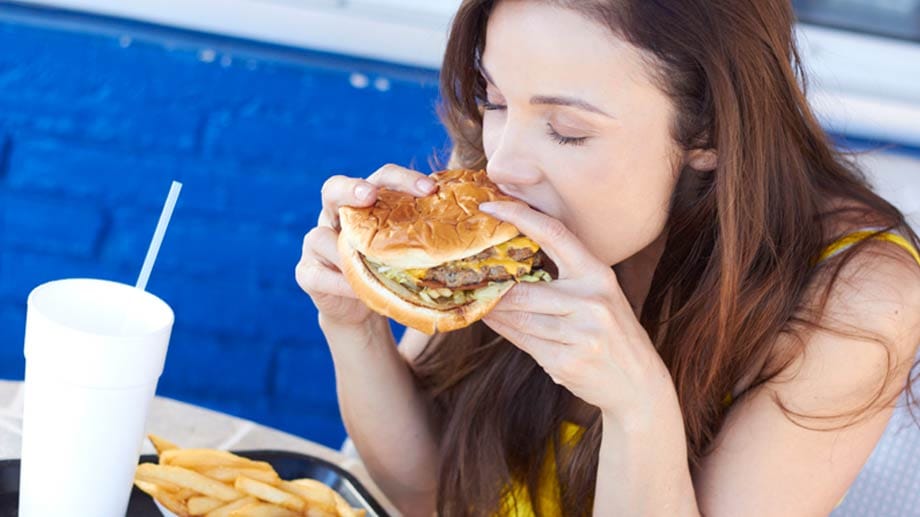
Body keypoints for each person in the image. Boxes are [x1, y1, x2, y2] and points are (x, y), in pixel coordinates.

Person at [295, 1, 920, 515]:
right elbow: (423, 492)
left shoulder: (859, 296)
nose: (502, 165)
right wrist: (354, 325)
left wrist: (636, 405)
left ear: (712, 132)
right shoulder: (504, 177)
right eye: (496, 100)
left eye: (567, 128)